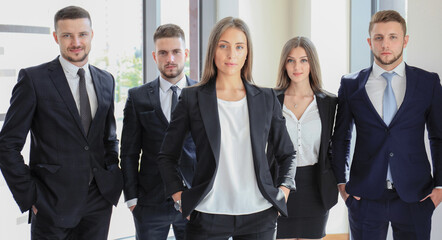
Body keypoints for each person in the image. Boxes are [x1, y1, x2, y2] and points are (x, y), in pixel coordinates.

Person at [156, 17, 296, 240]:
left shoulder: (266, 98)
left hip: (259, 213)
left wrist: (283, 193)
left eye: (239, 47)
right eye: (224, 46)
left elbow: (287, 153)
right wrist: (179, 197)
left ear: (247, 53)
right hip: (207, 213)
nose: (232, 55)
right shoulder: (193, 98)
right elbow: (167, 156)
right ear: (213, 50)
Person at [0, 6, 123, 240]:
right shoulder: (33, 79)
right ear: (56, 37)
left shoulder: (106, 80)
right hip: (51, 204)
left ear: (91, 35)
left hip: (99, 203)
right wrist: (30, 196)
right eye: (67, 35)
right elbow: (7, 145)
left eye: (82, 34)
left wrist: (111, 172)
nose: (76, 42)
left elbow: (109, 137)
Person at [331, 10, 442, 240]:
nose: (386, 44)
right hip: (365, 197)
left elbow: (438, 137)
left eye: (393, 37)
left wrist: (440, 188)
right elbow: (341, 137)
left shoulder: (428, 82)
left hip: (416, 196)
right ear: (370, 42)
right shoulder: (351, 85)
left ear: (405, 40)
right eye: (379, 38)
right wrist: (342, 185)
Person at [120, 23, 197, 240]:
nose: (170, 59)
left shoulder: (203, 94)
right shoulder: (138, 97)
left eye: (176, 52)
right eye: (163, 53)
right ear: (155, 56)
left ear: (186, 54)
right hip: (150, 202)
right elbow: (128, 152)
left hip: (194, 201)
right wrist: (132, 199)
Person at [270, 36, 338, 240]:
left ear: (312, 64)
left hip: (316, 188)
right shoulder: (270, 99)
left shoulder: (330, 103)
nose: (296, 66)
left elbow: (336, 145)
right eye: (290, 60)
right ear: (284, 64)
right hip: (279, 186)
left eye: (303, 60)